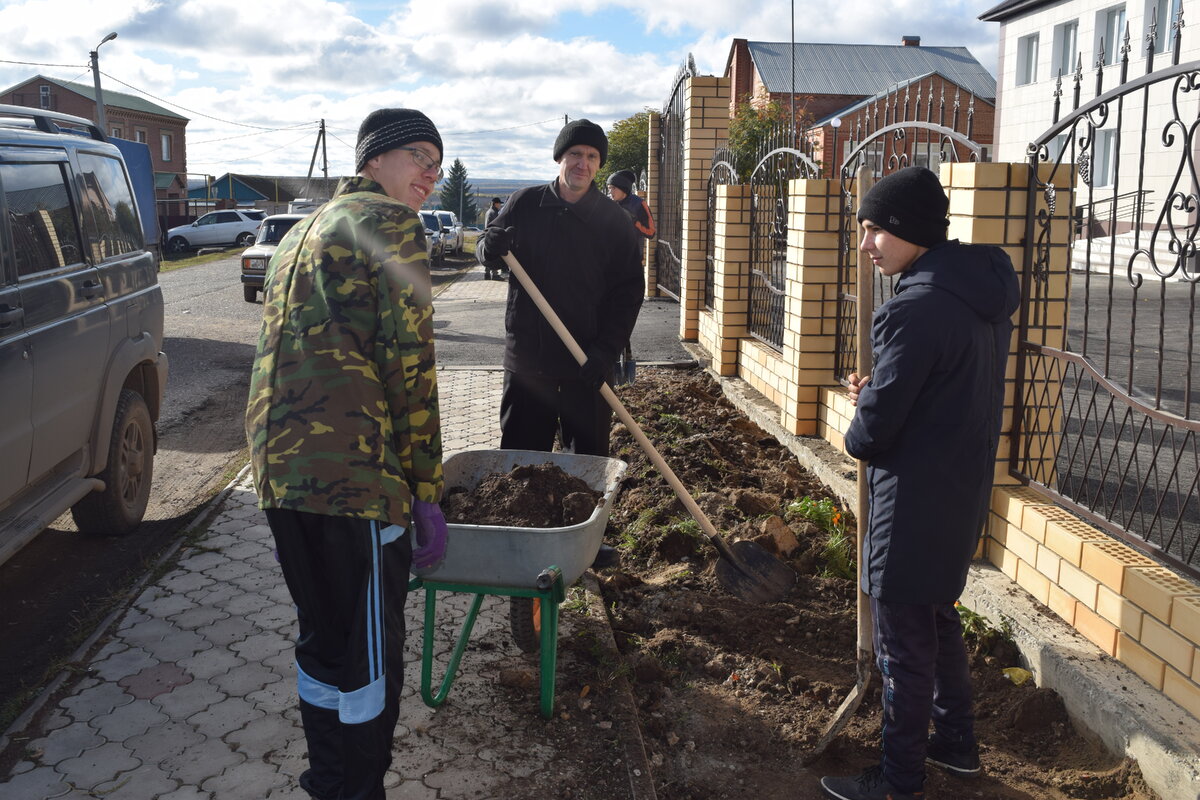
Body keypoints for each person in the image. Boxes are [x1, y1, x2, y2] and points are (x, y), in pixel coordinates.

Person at [245, 107, 449, 800]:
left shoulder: (301, 230)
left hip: (278, 474)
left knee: (321, 642)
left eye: (439, 163)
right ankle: (356, 790)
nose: (430, 172)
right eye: (418, 155)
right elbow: (410, 368)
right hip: (351, 478)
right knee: (367, 659)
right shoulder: (389, 223)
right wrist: (427, 489)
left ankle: (327, 781)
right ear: (372, 162)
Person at [820, 167, 1019, 800]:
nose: (865, 244)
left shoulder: (912, 308)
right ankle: (955, 744)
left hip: (909, 500)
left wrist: (862, 417)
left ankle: (898, 779)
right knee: (935, 619)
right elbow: (939, 387)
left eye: (875, 230)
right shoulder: (976, 295)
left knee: (902, 643)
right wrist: (881, 391)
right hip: (957, 490)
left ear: (908, 231)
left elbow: (871, 435)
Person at [477, 119, 643, 567]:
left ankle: (584, 546)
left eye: (592, 157)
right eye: (575, 155)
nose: (583, 164)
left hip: (586, 365)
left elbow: (628, 292)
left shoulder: (613, 221)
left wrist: (607, 351)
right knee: (521, 457)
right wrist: (487, 248)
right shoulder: (525, 203)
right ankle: (515, 540)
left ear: (599, 165)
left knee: (588, 461)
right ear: (559, 158)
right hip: (528, 361)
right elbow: (488, 249)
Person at [606, 168, 655, 239]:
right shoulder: (608, 203)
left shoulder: (639, 204)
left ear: (623, 189)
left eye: (613, 188)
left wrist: (633, 221)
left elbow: (651, 232)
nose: (610, 192)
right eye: (609, 188)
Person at [482, 197, 506, 280]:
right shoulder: (494, 213)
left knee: (488, 255)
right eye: (499, 203)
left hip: (487, 235)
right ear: (495, 204)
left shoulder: (488, 212)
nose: (500, 205)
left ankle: (487, 273)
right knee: (494, 256)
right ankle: (495, 274)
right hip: (492, 236)